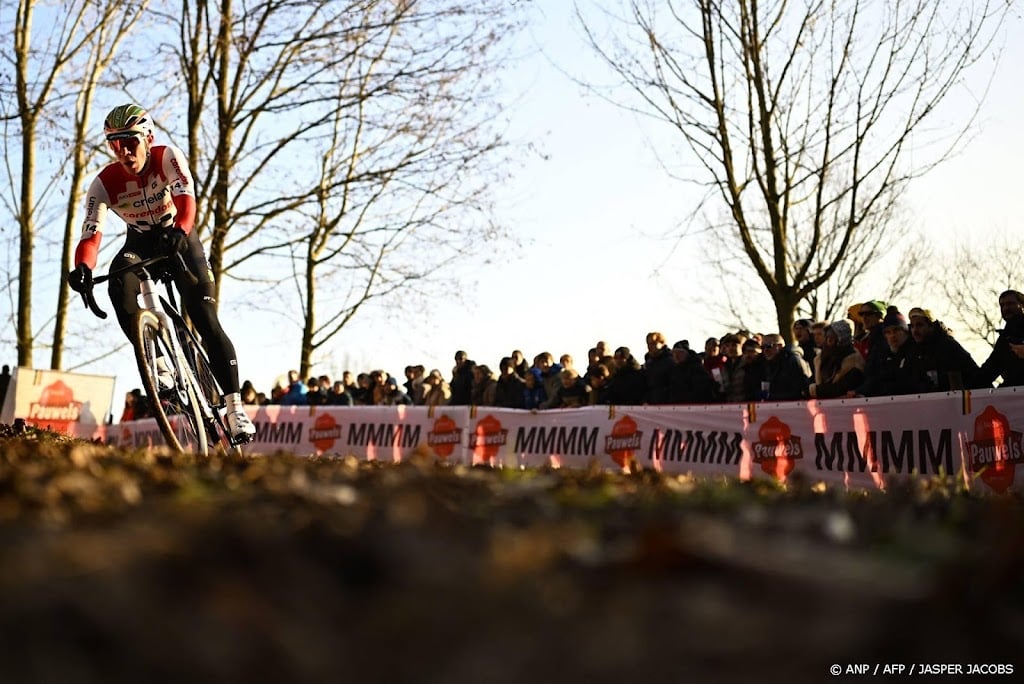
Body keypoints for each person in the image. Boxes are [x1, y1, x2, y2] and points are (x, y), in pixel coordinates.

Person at [67, 104, 255, 443]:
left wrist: (181, 230)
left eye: (130, 141)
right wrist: (83, 267)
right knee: (118, 279)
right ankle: (157, 360)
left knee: (207, 320)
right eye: (114, 143)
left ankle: (234, 408)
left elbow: (187, 201)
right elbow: (91, 235)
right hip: (140, 244)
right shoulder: (103, 184)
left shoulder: (167, 156)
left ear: (147, 138)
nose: (123, 151)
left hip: (179, 239)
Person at [907, 307, 980, 392]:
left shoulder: (947, 346)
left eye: (919, 325)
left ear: (931, 326)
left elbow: (956, 390)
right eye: (912, 326)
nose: (915, 330)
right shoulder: (916, 352)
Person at [852, 309, 919, 397]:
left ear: (905, 331)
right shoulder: (883, 354)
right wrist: (858, 392)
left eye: (896, 330)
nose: (892, 335)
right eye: (888, 332)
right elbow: (876, 379)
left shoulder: (916, 352)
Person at [975, 290, 1024, 388]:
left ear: (1022, 305)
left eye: (1010, 304)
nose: (1006, 308)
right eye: (1002, 305)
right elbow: (990, 369)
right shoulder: (1005, 338)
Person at [744, 333, 810, 401]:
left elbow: (800, 390)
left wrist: (770, 396)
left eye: (769, 346)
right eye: (762, 347)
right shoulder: (764, 363)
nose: (765, 350)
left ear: (780, 346)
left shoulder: (793, 361)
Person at [807, 320, 865, 399]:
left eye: (832, 338)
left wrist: (813, 390)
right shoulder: (820, 359)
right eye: (827, 337)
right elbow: (813, 380)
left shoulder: (854, 361)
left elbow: (841, 388)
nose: (828, 341)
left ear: (842, 339)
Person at [642, 332, 674, 404]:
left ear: (661, 343)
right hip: (651, 403)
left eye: (653, 343)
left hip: (667, 404)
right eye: (648, 344)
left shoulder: (670, 361)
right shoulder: (649, 363)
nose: (650, 346)